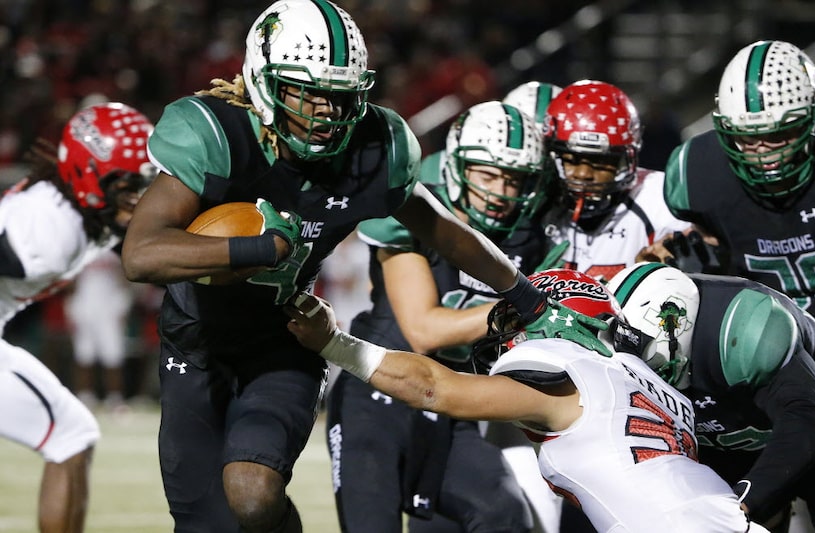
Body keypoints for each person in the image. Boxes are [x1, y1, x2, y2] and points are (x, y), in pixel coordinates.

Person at [119, 1, 605, 531]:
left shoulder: (373, 147)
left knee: (252, 493)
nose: (326, 112)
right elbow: (142, 254)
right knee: (204, 524)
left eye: (339, 96)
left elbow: (443, 229)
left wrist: (527, 298)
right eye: (309, 92)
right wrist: (260, 249)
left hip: (285, 337)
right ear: (264, 82)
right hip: (195, 339)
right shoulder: (219, 134)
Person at [286, 268, 768, 533]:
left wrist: (334, 344)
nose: (506, 339)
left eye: (518, 326)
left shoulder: (569, 378)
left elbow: (433, 387)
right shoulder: (646, 380)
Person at [328, 100, 547, 533]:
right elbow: (424, 329)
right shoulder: (416, 209)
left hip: (454, 403)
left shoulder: (532, 236)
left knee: (504, 514)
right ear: (456, 168)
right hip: (378, 397)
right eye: (488, 174)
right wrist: (527, 308)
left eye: (513, 179)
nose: (500, 192)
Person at [0, 101, 155, 533]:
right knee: (71, 435)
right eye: (128, 185)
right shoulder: (52, 231)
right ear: (89, 175)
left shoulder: (82, 210)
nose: (139, 196)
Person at [608, 262, 815, 532]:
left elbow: (808, 416)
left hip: (814, 431)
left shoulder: (743, 327)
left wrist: (746, 502)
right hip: (725, 441)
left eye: (644, 353)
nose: (638, 368)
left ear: (678, 324)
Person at [660, 40, 815, 326]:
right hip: (758, 341)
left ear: (812, 122)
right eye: (748, 136)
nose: (764, 151)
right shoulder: (700, 173)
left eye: (778, 135)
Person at [540, 80, 691, 283]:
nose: (584, 173)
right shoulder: (537, 201)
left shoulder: (660, 199)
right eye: (571, 159)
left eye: (600, 161)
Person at [64, 250, 135, 411]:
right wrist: (71, 309)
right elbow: (70, 282)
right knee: (83, 355)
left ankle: (115, 398)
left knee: (113, 355)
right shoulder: (82, 250)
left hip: (109, 310)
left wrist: (123, 305)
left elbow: (125, 279)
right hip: (85, 309)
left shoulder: (114, 251)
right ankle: (85, 397)